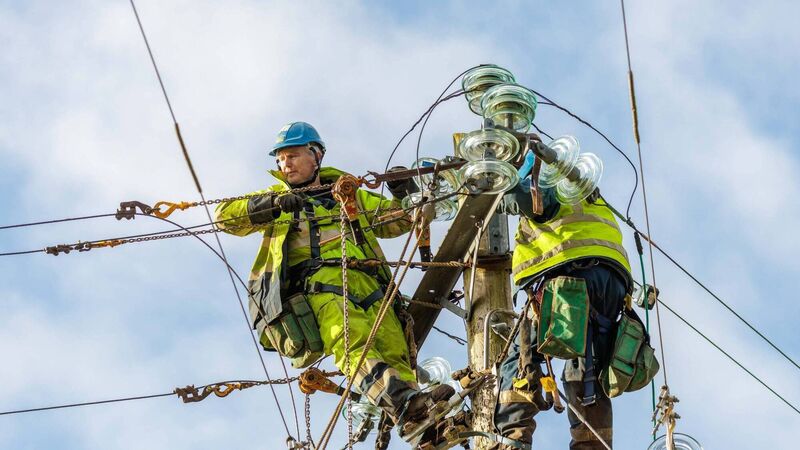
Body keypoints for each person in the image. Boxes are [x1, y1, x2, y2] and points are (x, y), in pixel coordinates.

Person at [214, 121, 453, 436]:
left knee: (395, 351)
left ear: (316, 155)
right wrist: (273, 205)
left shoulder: (348, 194)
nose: (286, 164)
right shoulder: (278, 196)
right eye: (281, 159)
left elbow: (396, 224)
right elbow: (224, 216)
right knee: (351, 339)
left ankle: (423, 425)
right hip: (321, 285)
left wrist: (404, 194)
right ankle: (405, 403)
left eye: (293, 155)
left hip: (372, 286)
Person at [493, 178, 633, 449]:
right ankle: (593, 445)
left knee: (521, 357)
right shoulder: (586, 191)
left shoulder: (547, 182)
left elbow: (524, 198)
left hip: (570, 278)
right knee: (587, 367)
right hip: (612, 286)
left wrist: (497, 182)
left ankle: (513, 438)